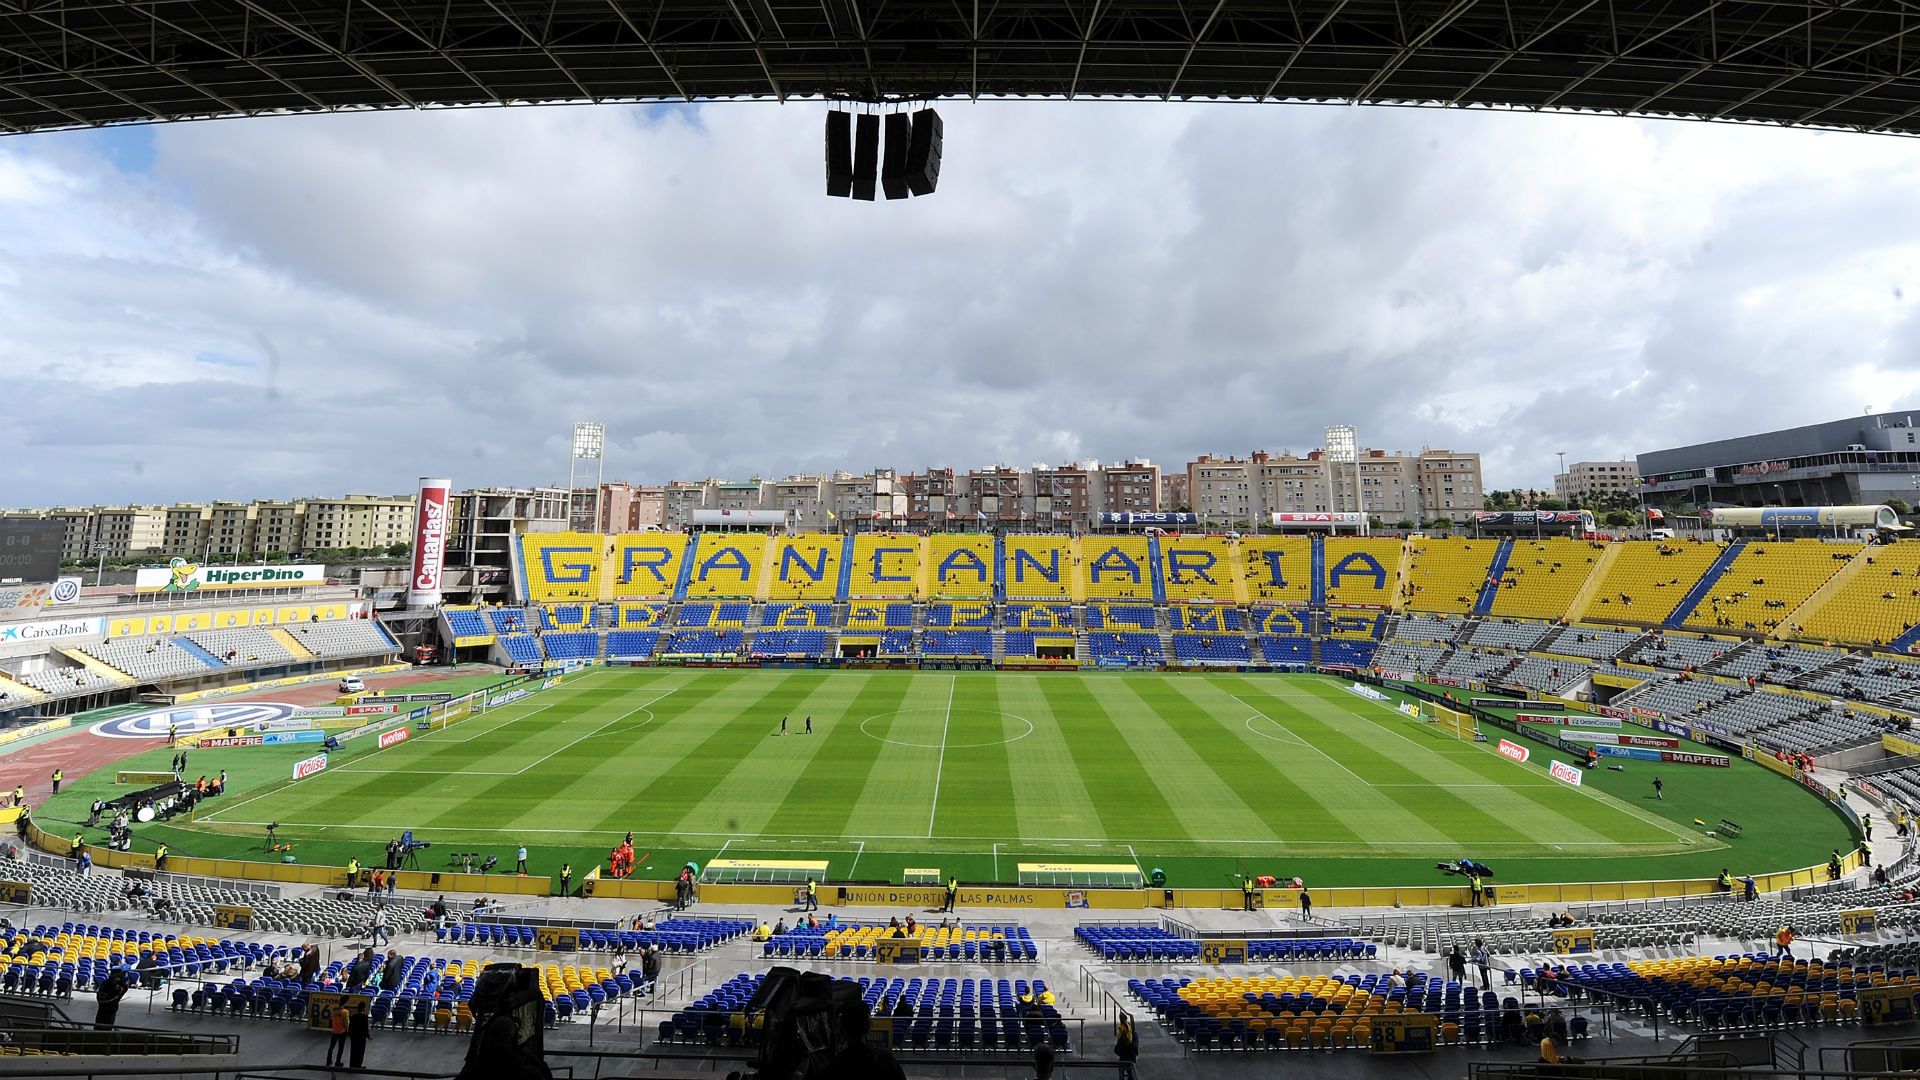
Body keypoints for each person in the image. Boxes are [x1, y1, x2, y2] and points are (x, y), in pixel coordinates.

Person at [94, 965, 129, 1029]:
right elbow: (124, 990)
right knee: (106, 1026)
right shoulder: (114, 987)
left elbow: (98, 995)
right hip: (110, 1009)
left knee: (99, 1024)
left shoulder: (104, 983)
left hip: (102, 1008)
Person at [348, 1000, 371, 1068]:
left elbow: (350, 1026)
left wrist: (350, 1035)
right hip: (361, 1037)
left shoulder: (353, 1016)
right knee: (360, 1051)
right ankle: (358, 1065)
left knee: (353, 1051)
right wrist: (368, 1036)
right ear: (363, 1008)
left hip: (354, 1036)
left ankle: (352, 1065)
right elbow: (365, 1028)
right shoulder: (365, 1017)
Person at [327, 1000, 350, 1066]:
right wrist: (347, 1029)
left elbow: (331, 1018)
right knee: (341, 1047)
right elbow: (346, 1023)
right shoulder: (345, 1012)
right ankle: (338, 1061)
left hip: (335, 1030)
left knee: (331, 1047)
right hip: (342, 1031)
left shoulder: (334, 1011)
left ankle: (328, 1060)